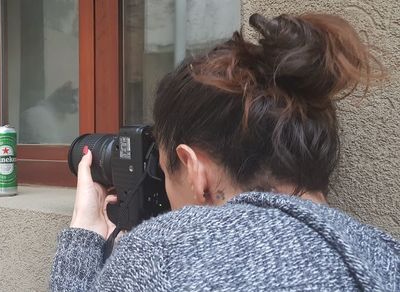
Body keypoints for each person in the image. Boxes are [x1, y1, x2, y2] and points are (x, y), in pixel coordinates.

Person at [50, 13, 400, 291]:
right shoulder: (384, 255)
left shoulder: (164, 252)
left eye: (165, 173)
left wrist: (86, 234)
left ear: (195, 169)